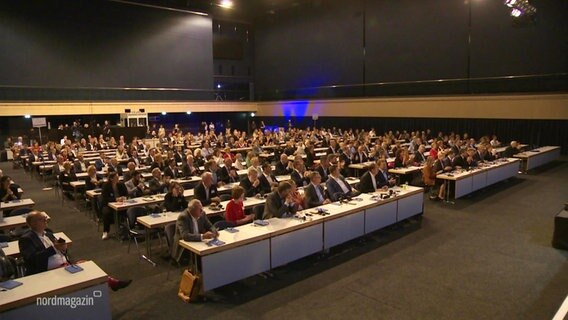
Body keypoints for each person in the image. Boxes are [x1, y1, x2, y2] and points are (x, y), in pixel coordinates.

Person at [18, 211, 131, 290]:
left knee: (88, 265)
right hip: (46, 271)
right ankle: (112, 283)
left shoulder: (48, 233)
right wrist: (54, 249)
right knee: (87, 270)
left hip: (63, 264)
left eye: (44, 218)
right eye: (41, 219)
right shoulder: (26, 239)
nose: (45, 220)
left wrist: (63, 249)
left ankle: (112, 283)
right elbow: (32, 259)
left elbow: (59, 249)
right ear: (32, 223)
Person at [100, 172, 128, 240]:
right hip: (108, 204)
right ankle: (105, 231)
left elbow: (126, 193)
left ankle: (126, 229)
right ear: (111, 178)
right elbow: (105, 198)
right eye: (116, 177)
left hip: (122, 204)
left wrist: (124, 197)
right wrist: (115, 199)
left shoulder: (121, 184)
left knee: (129, 211)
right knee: (106, 213)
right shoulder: (106, 186)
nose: (118, 178)